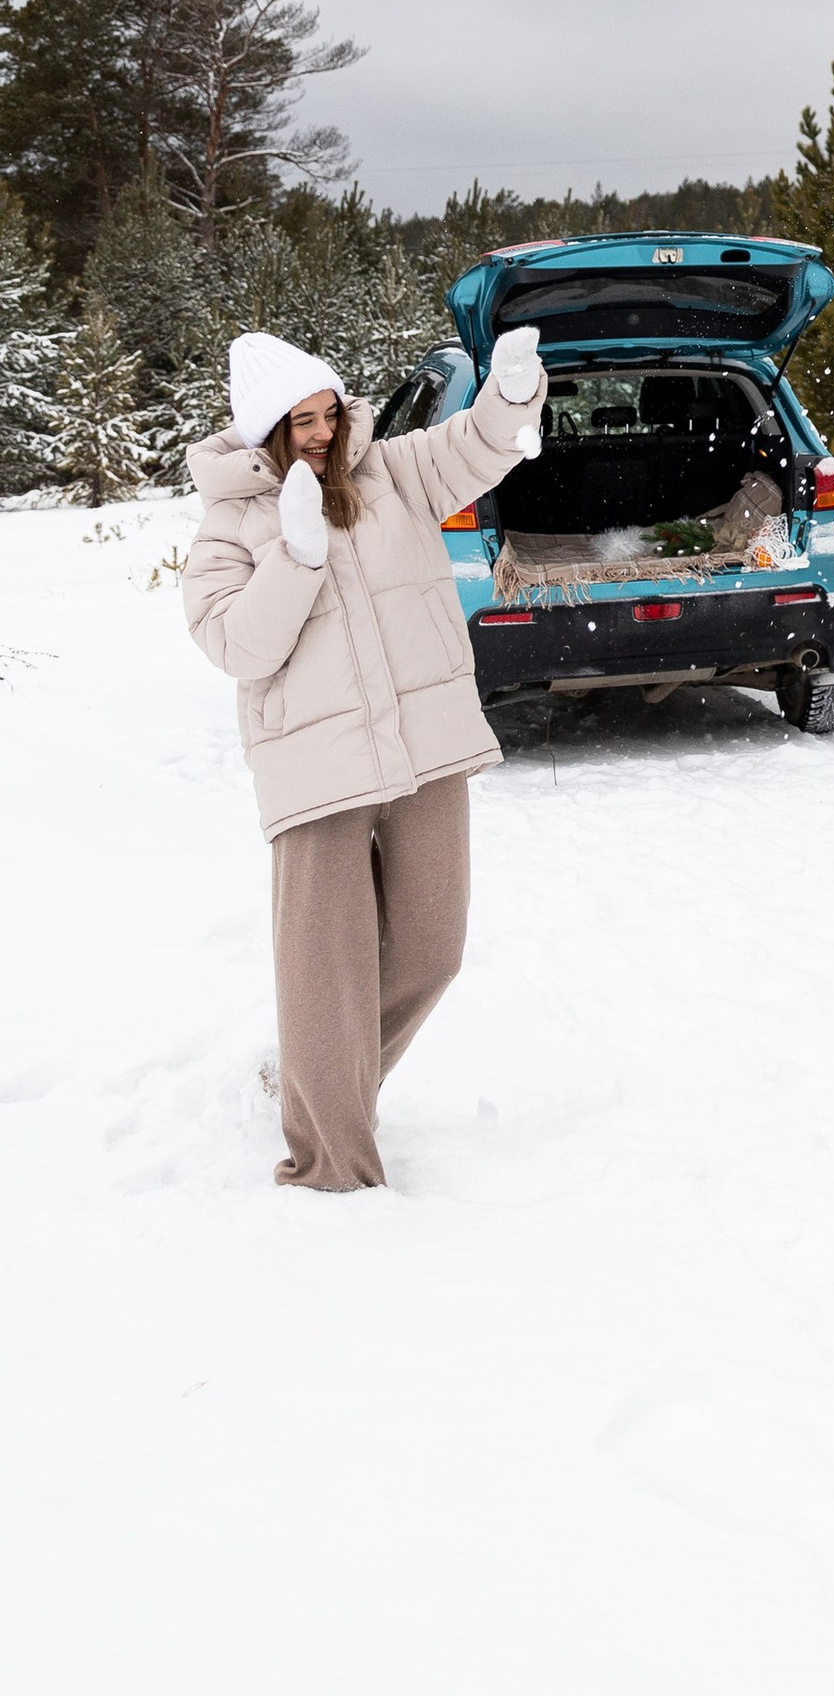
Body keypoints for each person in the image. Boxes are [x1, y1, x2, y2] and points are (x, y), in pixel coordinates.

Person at [183, 321, 548, 1191]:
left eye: (326, 414)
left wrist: (509, 393)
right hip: (318, 775)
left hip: (426, 750)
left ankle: (324, 1080)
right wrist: (297, 553)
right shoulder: (228, 530)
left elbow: (473, 447)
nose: (320, 434)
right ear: (262, 433)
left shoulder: (388, 473)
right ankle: (330, 1168)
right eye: (298, 422)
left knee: (431, 949)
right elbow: (238, 646)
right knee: (325, 973)